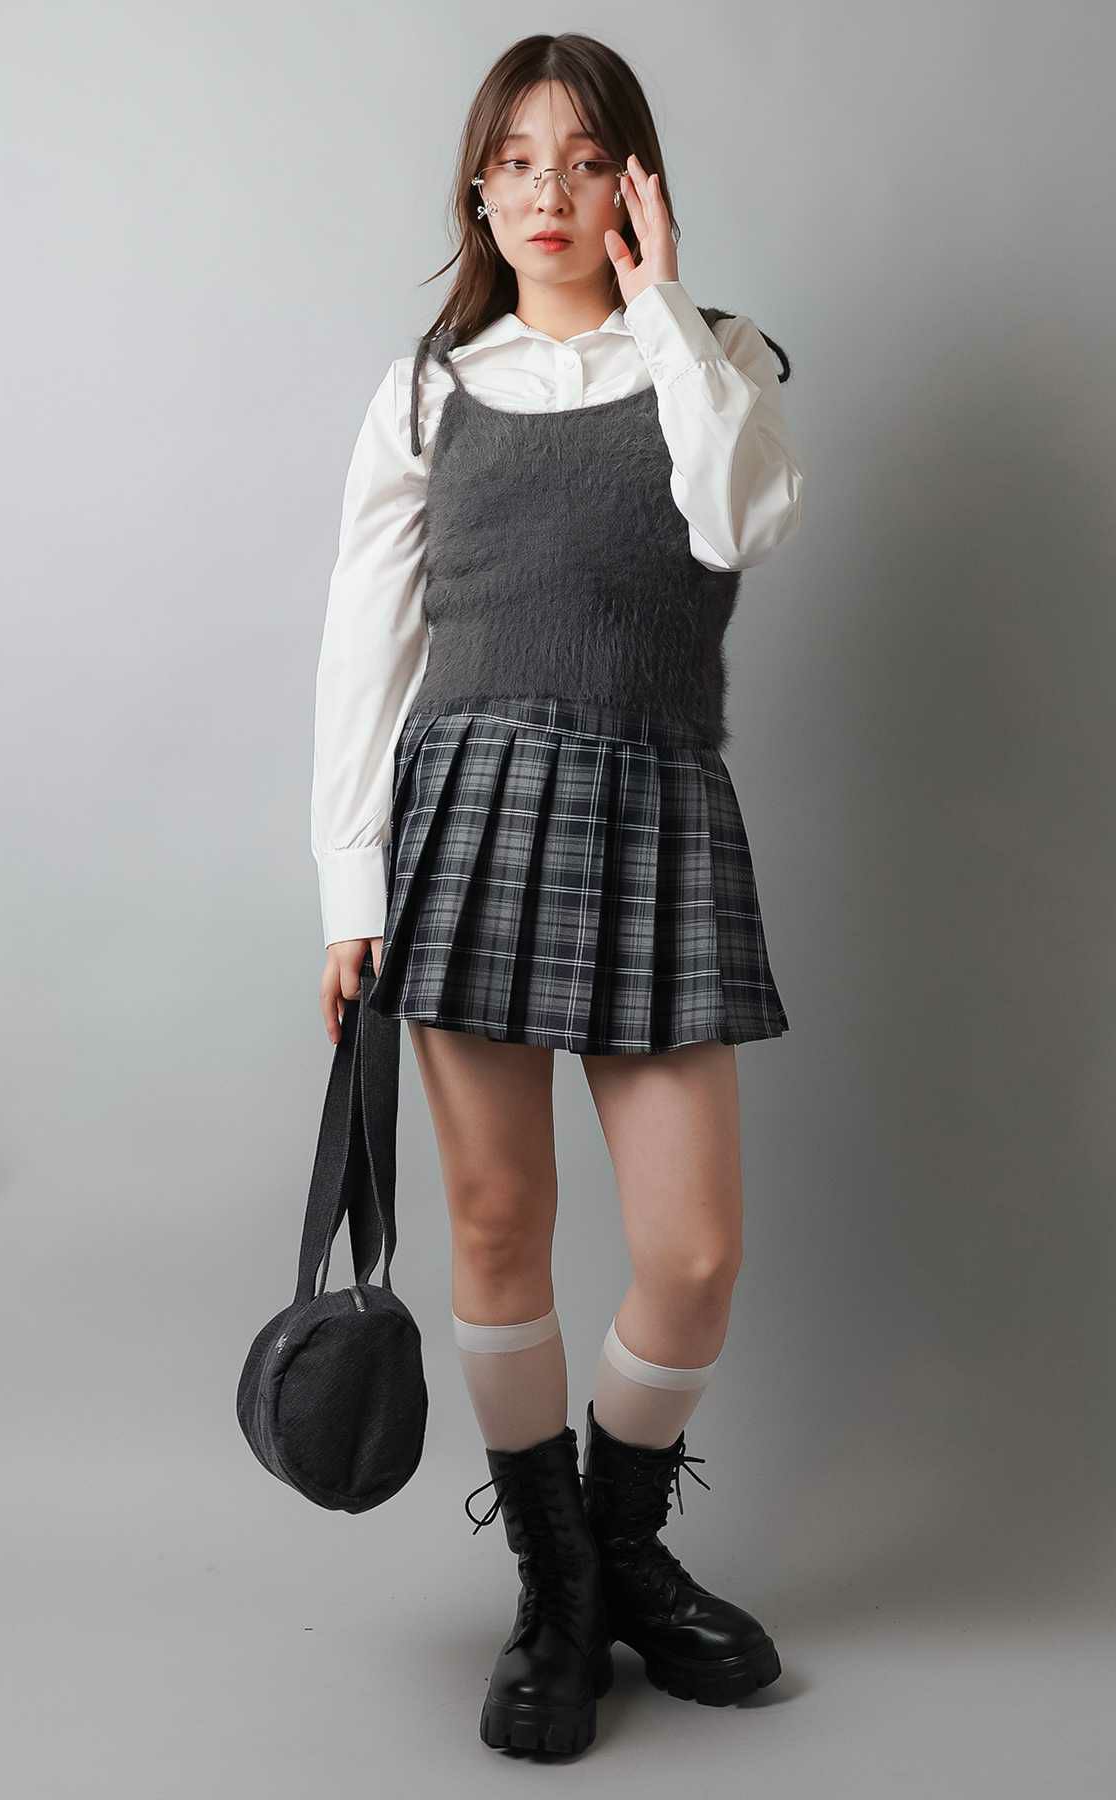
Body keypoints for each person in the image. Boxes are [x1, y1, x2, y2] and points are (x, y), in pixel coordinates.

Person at [310, 32, 803, 1758]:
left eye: (585, 159)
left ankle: (618, 1545)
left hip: (655, 803)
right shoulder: (427, 391)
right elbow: (364, 654)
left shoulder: (721, 358)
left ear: (635, 186)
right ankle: (558, 1585)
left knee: (692, 1250)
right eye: (516, 159)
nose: (548, 191)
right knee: (499, 1219)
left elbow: (739, 524)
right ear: (479, 187)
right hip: (467, 814)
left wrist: (662, 307)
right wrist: (347, 890)